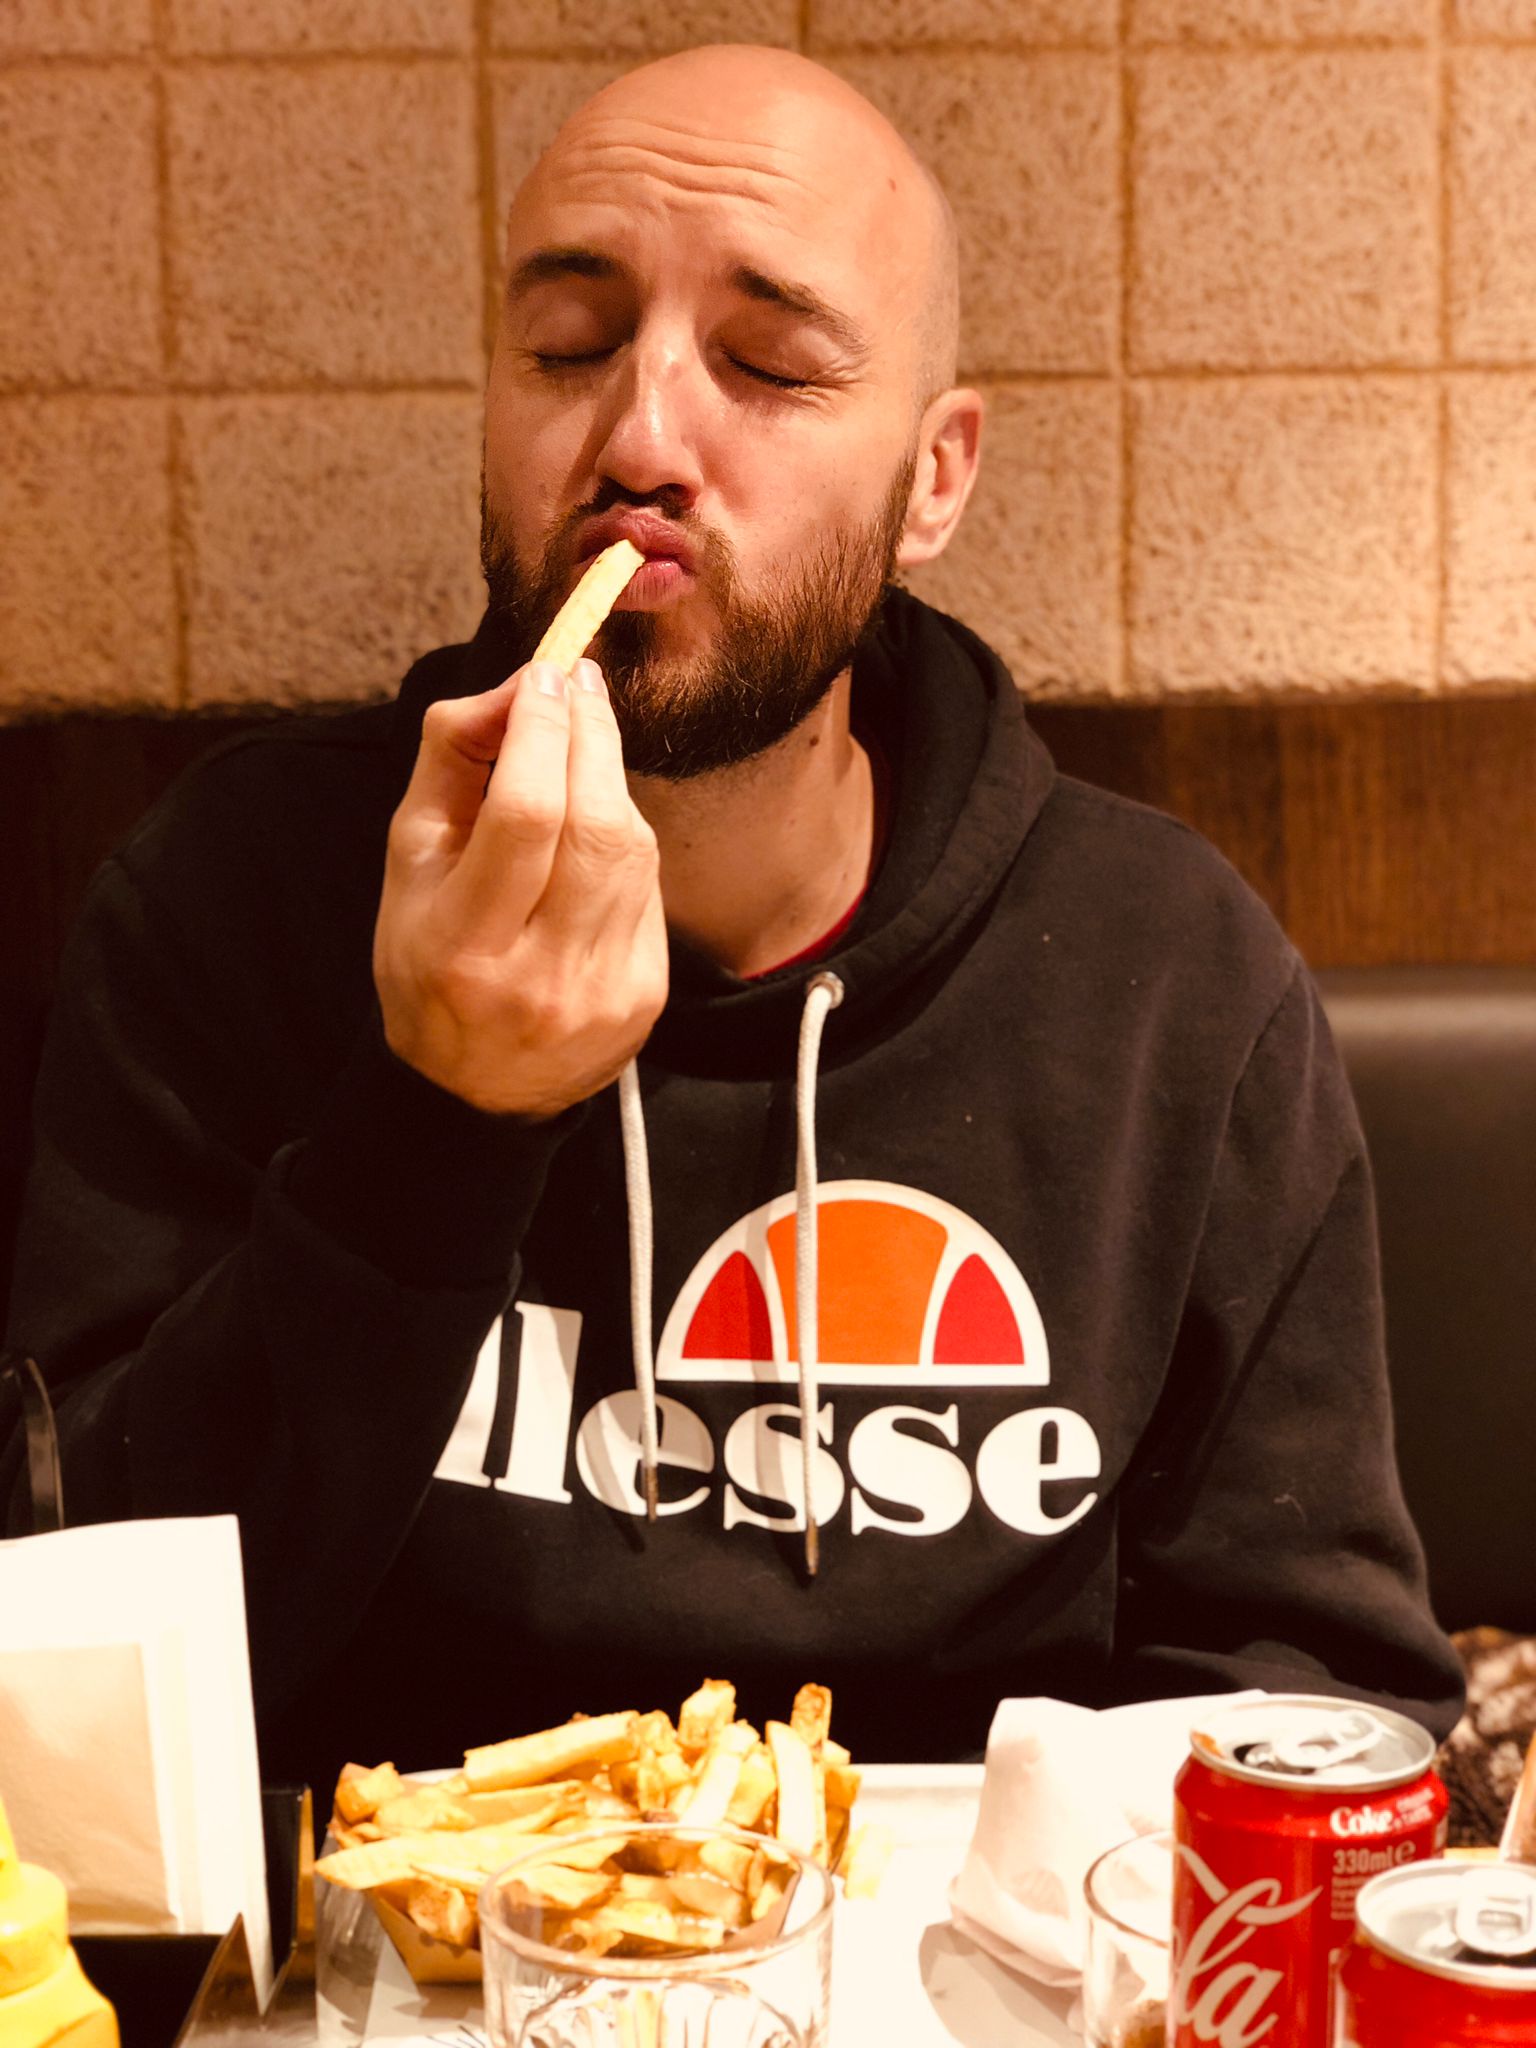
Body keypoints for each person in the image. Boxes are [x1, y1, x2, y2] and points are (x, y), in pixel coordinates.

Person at [2, 45, 1461, 1803]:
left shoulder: (1167, 980)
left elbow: (1318, 1701)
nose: (638, 441)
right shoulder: (233, 898)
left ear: (935, 479)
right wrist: (438, 1125)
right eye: (567, 346)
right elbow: (72, 1700)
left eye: (768, 366)